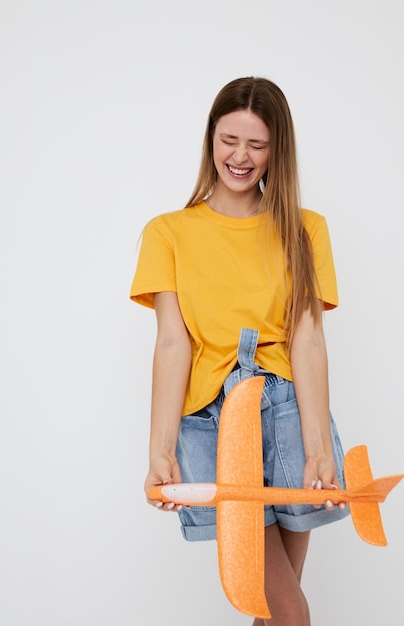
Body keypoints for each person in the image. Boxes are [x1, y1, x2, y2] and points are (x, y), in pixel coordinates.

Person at [130, 76, 349, 626]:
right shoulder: (168, 232)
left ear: (278, 149)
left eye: (257, 144)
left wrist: (320, 448)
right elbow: (173, 341)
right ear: (210, 139)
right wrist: (160, 449)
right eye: (230, 140)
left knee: (274, 609)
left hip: (288, 415)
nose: (241, 157)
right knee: (286, 608)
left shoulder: (306, 229)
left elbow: (307, 338)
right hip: (214, 422)